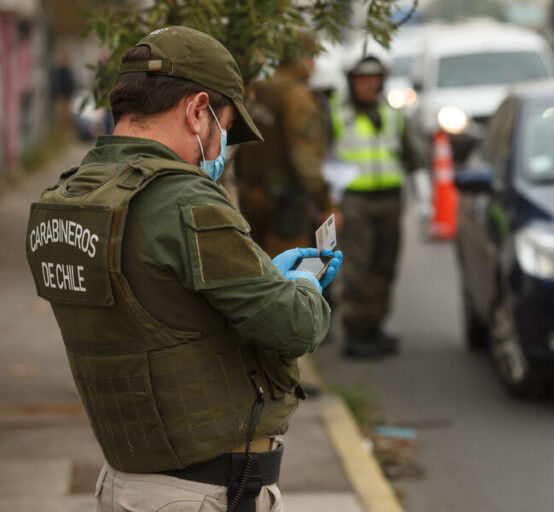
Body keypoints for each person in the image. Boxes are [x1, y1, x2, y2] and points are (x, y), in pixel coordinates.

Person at [24, 26, 342, 512]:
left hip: (127, 480)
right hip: (200, 493)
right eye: (224, 129)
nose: (218, 153)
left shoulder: (69, 196)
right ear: (197, 111)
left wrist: (260, 276)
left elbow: (164, 302)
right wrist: (298, 286)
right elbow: (296, 326)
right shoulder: (183, 200)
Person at [329, 54, 424, 359]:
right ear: (351, 82)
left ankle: (374, 324)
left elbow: (414, 156)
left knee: (385, 266)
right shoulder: (335, 115)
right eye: (363, 79)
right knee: (358, 268)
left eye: (376, 79)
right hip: (354, 201)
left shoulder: (393, 115)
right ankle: (355, 331)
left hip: (390, 199)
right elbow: (320, 158)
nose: (370, 85)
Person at [234, 32, 337, 258]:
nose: (314, 67)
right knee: (287, 276)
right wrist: (325, 203)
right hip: (284, 207)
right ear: (300, 58)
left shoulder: (255, 90)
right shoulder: (296, 96)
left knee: (256, 270)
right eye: (312, 58)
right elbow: (304, 156)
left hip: (249, 199)